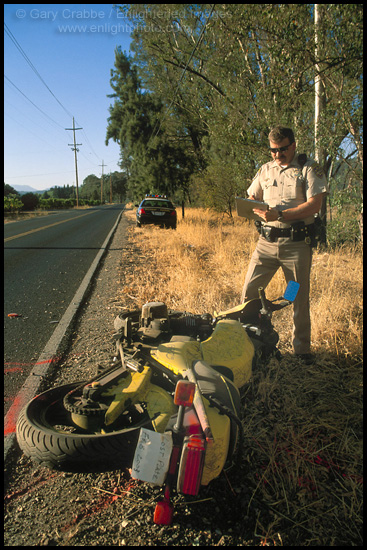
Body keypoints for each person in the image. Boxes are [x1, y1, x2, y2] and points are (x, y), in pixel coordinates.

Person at [241, 126, 329, 364]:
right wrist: (253, 206)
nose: (277, 155)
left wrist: (279, 214)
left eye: (282, 150)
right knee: (249, 292)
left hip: (296, 246)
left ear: (293, 145)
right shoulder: (265, 170)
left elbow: (314, 206)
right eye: (273, 150)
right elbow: (252, 197)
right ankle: (248, 343)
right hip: (266, 244)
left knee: (296, 296)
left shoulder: (308, 168)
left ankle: (301, 351)